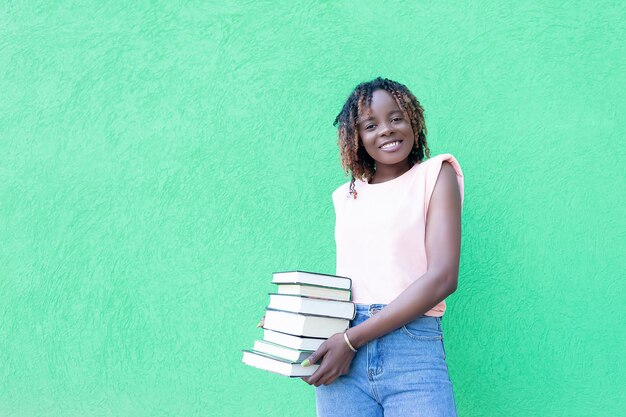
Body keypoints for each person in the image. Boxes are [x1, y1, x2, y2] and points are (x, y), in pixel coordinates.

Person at [300, 77, 464, 416]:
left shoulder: (436, 175)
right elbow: (355, 279)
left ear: (413, 123)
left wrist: (352, 340)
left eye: (396, 118)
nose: (386, 130)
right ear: (356, 137)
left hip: (411, 349)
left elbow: (443, 278)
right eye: (370, 125)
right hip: (344, 354)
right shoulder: (345, 196)